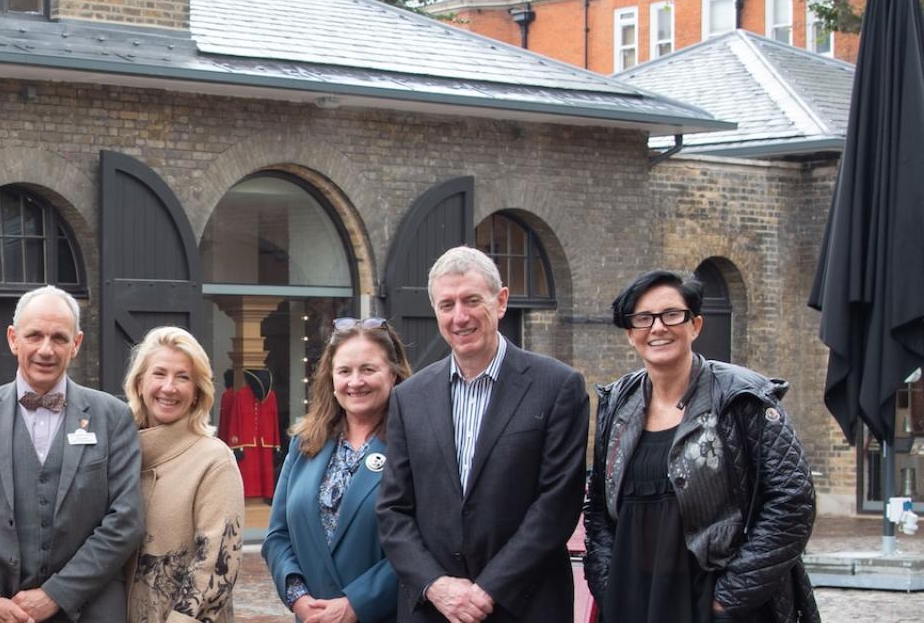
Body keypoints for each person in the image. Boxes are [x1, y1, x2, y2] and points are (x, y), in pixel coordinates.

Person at [584, 271, 819, 623]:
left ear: (695, 325)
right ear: (631, 334)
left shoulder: (743, 397)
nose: (658, 327)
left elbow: (793, 502)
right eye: (643, 318)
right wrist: (607, 583)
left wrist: (727, 599)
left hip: (714, 602)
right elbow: (600, 507)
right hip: (634, 599)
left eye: (671, 315)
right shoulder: (617, 403)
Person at [376, 246, 587, 623]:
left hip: (525, 605)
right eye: (447, 305)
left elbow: (556, 506)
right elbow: (393, 510)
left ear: (501, 301)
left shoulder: (558, 387)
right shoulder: (409, 398)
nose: (460, 316)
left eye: (472, 300)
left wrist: (487, 589)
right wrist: (436, 586)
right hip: (433, 610)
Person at [0, 285, 145, 623]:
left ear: (76, 344)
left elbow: (125, 522)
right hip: (1, 611)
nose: (46, 350)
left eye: (59, 338)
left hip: (91, 611)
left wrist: (55, 594)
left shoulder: (113, 417)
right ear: (13, 338)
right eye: (34, 336)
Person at [266, 317, 414, 623]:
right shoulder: (305, 443)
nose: (355, 382)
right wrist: (299, 597)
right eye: (344, 371)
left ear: (394, 375)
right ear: (331, 379)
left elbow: (426, 542)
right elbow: (277, 535)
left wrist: (357, 604)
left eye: (368, 369)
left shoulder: (416, 444)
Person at [122, 326, 241, 623]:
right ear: (139, 383)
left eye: (183, 377)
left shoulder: (214, 459)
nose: (169, 387)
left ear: (198, 392)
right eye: (159, 373)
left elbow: (215, 564)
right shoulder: (118, 453)